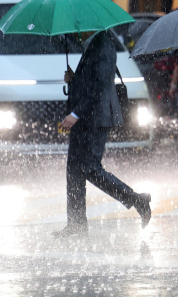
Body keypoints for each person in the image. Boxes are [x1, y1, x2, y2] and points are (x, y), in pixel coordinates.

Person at [53, 30, 152, 238]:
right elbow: (90, 80)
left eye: (79, 28)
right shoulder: (91, 44)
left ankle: (137, 200)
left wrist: (75, 114)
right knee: (74, 170)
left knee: (90, 168)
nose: (75, 32)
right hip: (85, 117)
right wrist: (73, 79)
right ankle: (77, 224)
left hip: (95, 118)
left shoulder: (104, 45)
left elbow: (99, 86)